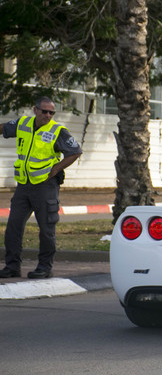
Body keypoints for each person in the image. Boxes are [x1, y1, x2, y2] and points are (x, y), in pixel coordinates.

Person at [0, 97, 82, 279]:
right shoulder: (23, 123)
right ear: (35, 110)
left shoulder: (57, 131)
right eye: (44, 111)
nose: (47, 115)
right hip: (24, 184)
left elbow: (75, 151)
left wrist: (55, 169)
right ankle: (12, 266)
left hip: (45, 186)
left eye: (51, 112)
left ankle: (45, 267)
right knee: (13, 225)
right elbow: (3, 128)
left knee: (46, 228)